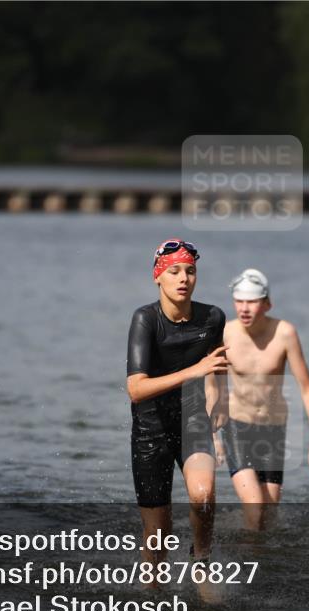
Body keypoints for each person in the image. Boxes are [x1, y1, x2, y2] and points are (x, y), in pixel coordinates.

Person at [126, 238, 229, 571]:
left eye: (190, 271)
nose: (184, 278)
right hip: (150, 430)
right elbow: (136, 389)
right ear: (158, 276)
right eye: (175, 271)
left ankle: (201, 562)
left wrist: (221, 402)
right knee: (157, 535)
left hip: (193, 422)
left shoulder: (213, 318)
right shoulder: (145, 320)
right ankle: (153, 602)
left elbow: (217, 367)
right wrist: (194, 371)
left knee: (203, 497)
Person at [214, 268, 309, 530]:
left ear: (267, 303)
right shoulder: (225, 334)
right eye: (239, 301)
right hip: (236, 425)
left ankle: (259, 560)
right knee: (255, 506)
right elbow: (211, 385)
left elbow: (307, 388)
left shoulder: (284, 333)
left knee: (269, 516)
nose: (244, 308)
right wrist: (213, 435)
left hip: (274, 429)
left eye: (251, 302)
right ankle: (247, 567)